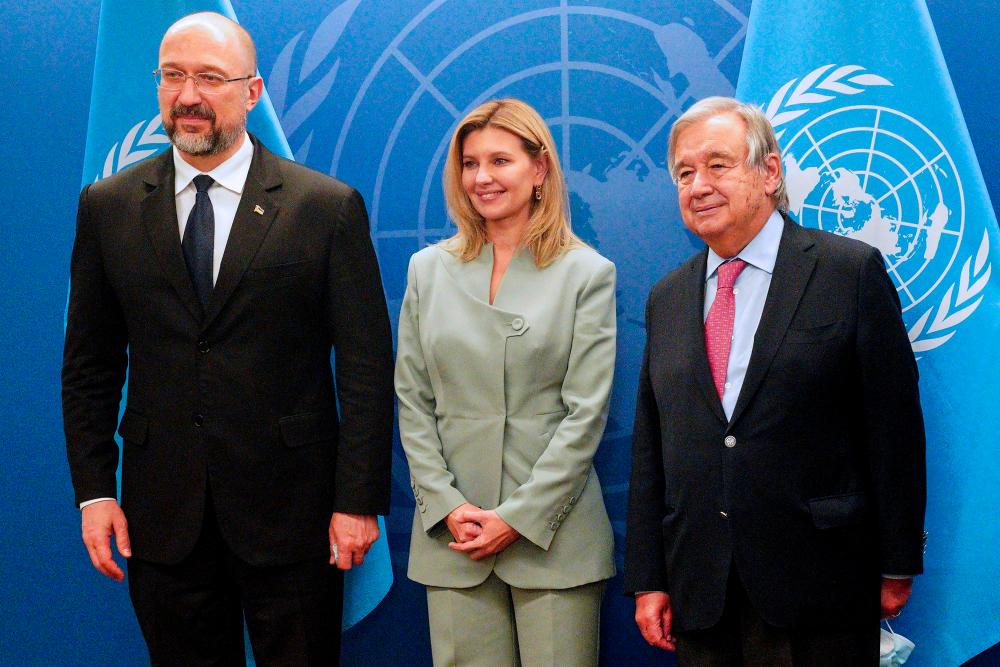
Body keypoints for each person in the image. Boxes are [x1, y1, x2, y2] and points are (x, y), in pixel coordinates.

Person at [61, 12, 394, 665]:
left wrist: (358, 502)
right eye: (173, 76)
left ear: (252, 91)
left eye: (210, 78)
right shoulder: (107, 206)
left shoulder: (324, 207)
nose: (188, 95)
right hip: (162, 520)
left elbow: (365, 368)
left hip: (295, 519)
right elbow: (90, 365)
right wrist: (96, 490)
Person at [624, 97, 926, 665]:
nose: (698, 185)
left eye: (717, 165)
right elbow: (652, 447)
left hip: (822, 582)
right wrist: (648, 576)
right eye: (685, 173)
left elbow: (893, 429)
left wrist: (897, 558)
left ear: (769, 172)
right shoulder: (667, 298)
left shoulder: (847, 271)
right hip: (701, 589)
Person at [395, 98, 616, 666]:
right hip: (455, 537)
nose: (483, 178)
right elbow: (413, 401)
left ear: (539, 168)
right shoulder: (428, 269)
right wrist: (445, 506)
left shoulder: (586, 273)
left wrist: (518, 518)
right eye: (470, 164)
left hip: (553, 538)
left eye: (500, 161)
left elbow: (585, 413)